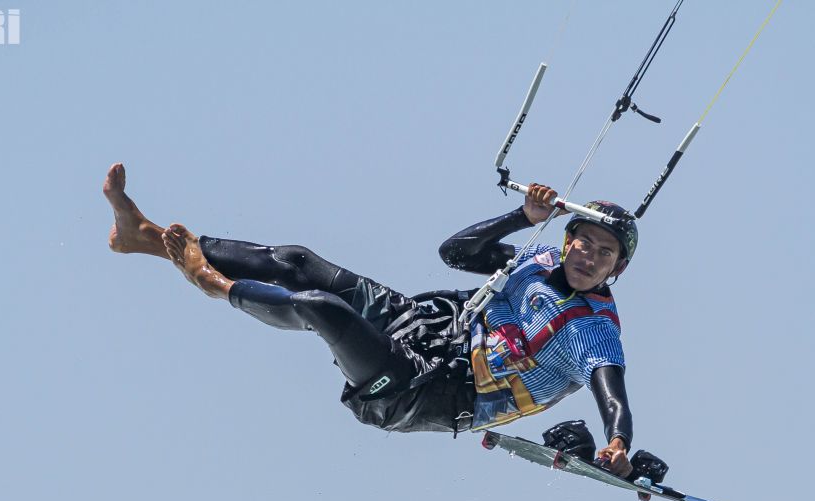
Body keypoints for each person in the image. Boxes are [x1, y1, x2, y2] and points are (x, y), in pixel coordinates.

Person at [102, 162, 638, 477]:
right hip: (425, 325)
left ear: (616, 269)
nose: (589, 257)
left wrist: (617, 444)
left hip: (424, 392)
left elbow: (611, 392)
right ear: (568, 240)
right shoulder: (536, 261)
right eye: (584, 242)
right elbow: (456, 252)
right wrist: (522, 216)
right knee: (296, 261)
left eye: (605, 254)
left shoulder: (593, 330)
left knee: (320, 306)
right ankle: (145, 236)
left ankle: (216, 285)